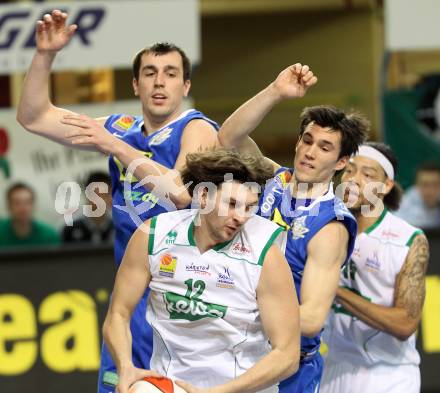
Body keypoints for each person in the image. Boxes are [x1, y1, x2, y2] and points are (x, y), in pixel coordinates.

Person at [16, 10, 219, 393]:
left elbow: (178, 191)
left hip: (182, 303)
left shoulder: (196, 128)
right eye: (150, 73)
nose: (160, 82)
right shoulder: (121, 128)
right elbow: (33, 116)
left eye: (171, 73)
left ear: (185, 84)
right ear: (136, 84)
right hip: (130, 303)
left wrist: (111, 145)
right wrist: (45, 56)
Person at [217, 64, 369, 393]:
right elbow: (229, 137)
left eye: (325, 147)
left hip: (287, 365)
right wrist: (276, 91)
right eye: (307, 140)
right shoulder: (275, 179)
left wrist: (234, 309)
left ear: (341, 162)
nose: (310, 152)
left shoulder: (331, 226)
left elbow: (312, 319)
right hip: (240, 350)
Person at [103, 149, 300, 393]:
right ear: (204, 196)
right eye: (231, 204)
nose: (241, 217)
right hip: (173, 384)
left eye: (249, 207)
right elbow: (118, 313)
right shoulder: (154, 235)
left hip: (242, 387)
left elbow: (288, 355)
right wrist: (125, 367)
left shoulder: (265, 254)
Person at [321, 142, 429, 393]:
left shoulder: (408, 239)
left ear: (386, 185)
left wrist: (333, 289)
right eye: (349, 171)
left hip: (388, 373)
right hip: (332, 367)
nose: (354, 180)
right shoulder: (323, 228)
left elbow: (405, 324)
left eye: (367, 175)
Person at [0, 182, 60, 248]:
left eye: (27, 202)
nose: (23, 208)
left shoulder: (49, 235)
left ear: (34, 205)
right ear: (9, 206)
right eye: (17, 203)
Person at [62, 171, 114, 245]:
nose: (102, 200)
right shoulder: (70, 230)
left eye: (105, 195)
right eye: (97, 195)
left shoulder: (119, 229)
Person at [395, 161, 440, 229]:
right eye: (425, 185)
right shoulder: (404, 205)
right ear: (417, 185)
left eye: (436, 184)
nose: (431, 191)